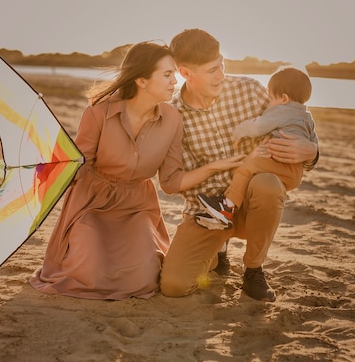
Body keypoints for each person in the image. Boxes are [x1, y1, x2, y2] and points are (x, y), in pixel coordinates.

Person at [29, 41, 243, 300]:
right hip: (92, 203)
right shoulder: (98, 112)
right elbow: (79, 167)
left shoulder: (173, 119)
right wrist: (55, 166)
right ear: (142, 81)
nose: (174, 82)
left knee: (144, 280)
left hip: (137, 206)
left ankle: (207, 258)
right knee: (89, 274)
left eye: (174, 74)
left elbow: (171, 182)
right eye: (166, 75)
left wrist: (214, 167)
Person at [160, 29, 319, 302]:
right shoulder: (173, 115)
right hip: (209, 211)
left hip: (253, 204)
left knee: (267, 183)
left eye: (222, 64)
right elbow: (175, 181)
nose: (221, 75)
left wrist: (312, 152)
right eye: (212, 70)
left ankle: (253, 270)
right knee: (173, 286)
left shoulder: (250, 90)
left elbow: (298, 121)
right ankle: (217, 250)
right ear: (185, 73)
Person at [197, 67, 319, 227]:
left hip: (280, 164)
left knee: (246, 167)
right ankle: (224, 208)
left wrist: (238, 132)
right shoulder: (307, 118)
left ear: (283, 98)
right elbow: (313, 145)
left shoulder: (282, 110)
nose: (269, 103)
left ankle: (227, 207)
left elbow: (258, 126)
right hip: (295, 174)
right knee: (251, 171)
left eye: (271, 99)